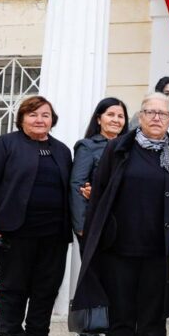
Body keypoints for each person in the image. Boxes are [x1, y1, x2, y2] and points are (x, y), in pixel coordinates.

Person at [75, 93, 169, 336]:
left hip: (161, 255)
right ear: (140, 116)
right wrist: (94, 242)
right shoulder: (120, 148)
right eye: (150, 112)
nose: (156, 118)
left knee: (153, 324)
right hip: (120, 252)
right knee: (122, 321)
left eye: (163, 113)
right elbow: (98, 198)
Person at [0, 96, 72, 336]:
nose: (40, 120)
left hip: (54, 233)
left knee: (46, 289)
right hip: (15, 231)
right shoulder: (6, 144)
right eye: (33, 115)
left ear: (53, 120)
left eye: (45, 115)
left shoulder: (62, 151)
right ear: (21, 118)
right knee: (13, 286)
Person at [70, 97, 129, 245]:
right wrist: (81, 228)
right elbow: (77, 185)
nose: (116, 120)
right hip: (95, 223)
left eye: (120, 116)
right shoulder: (88, 147)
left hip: (124, 223)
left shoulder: (130, 148)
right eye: (110, 114)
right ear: (98, 119)